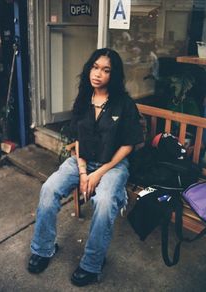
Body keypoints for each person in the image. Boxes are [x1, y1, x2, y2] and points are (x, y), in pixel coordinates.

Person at [27, 48, 143, 286]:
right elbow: (79, 140)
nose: (98, 74)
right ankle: (43, 248)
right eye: (95, 67)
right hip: (82, 160)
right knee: (49, 188)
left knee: (103, 201)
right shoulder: (83, 99)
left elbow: (129, 145)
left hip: (113, 165)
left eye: (106, 70)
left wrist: (98, 173)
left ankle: (92, 264)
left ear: (114, 75)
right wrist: (82, 172)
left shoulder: (123, 103)